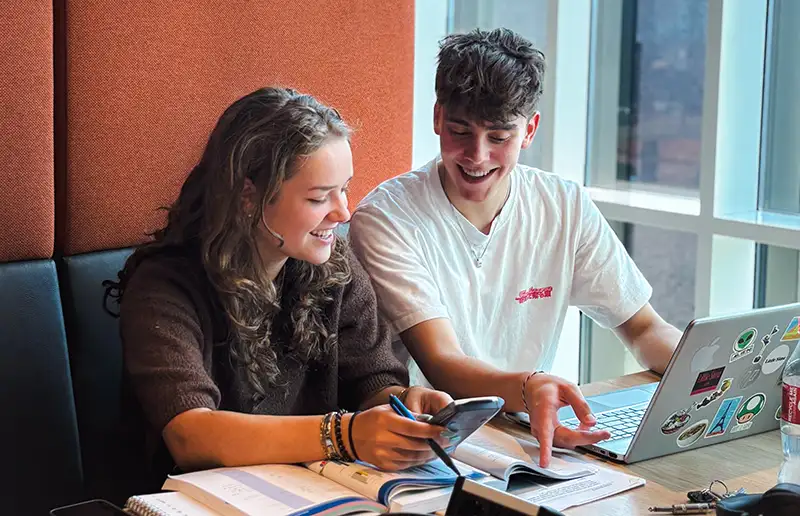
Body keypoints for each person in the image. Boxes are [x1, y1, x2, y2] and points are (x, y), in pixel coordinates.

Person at [349, 29, 683, 467]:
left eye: (499, 137)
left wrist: (713, 375)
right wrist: (531, 386)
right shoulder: (389, 216)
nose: (477, 155)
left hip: (526, 429)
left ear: (530, 130)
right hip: (428, 444)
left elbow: (643, 329)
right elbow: (444, 363)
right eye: (459, 131)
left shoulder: (563, 205)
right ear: (437, 118)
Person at [105, 87, 453, 484]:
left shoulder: (334, 266)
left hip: (306, 493)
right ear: (249, 196)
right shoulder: (164, 287)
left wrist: (401, 408)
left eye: (344, 190)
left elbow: (371, 382)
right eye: (320, 197)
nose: (342, 212)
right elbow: (191, 435)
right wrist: (345, 433)